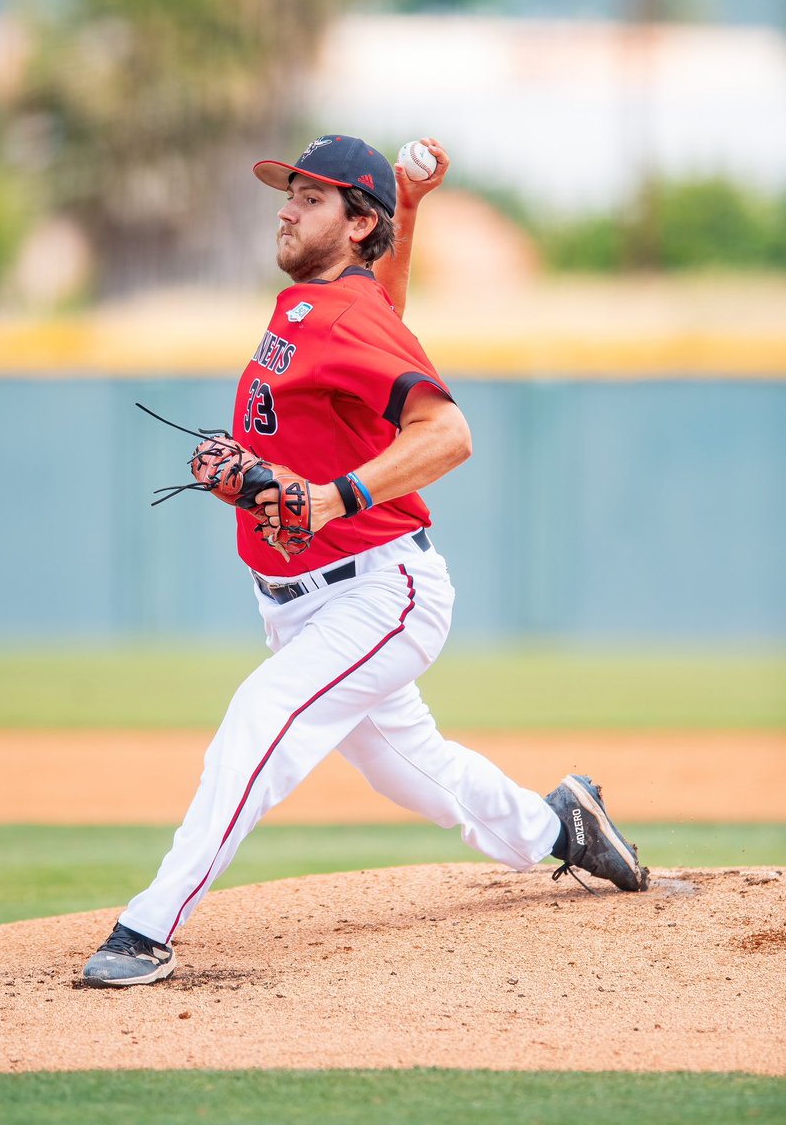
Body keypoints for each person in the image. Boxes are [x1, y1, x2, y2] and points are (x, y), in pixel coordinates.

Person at [83, 134, 648, 988]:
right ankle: (556, 827)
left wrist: (330, 496)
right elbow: (376, 315)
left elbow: (448, 434)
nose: (285, 205)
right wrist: (247, 475)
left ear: (356, 223)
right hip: (303, 599)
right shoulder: (317, 306)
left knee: (260, 720)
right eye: (289, 191)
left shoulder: (339, 313)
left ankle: (148, 925)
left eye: (309, 197)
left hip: (380, 590)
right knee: (421, 772)